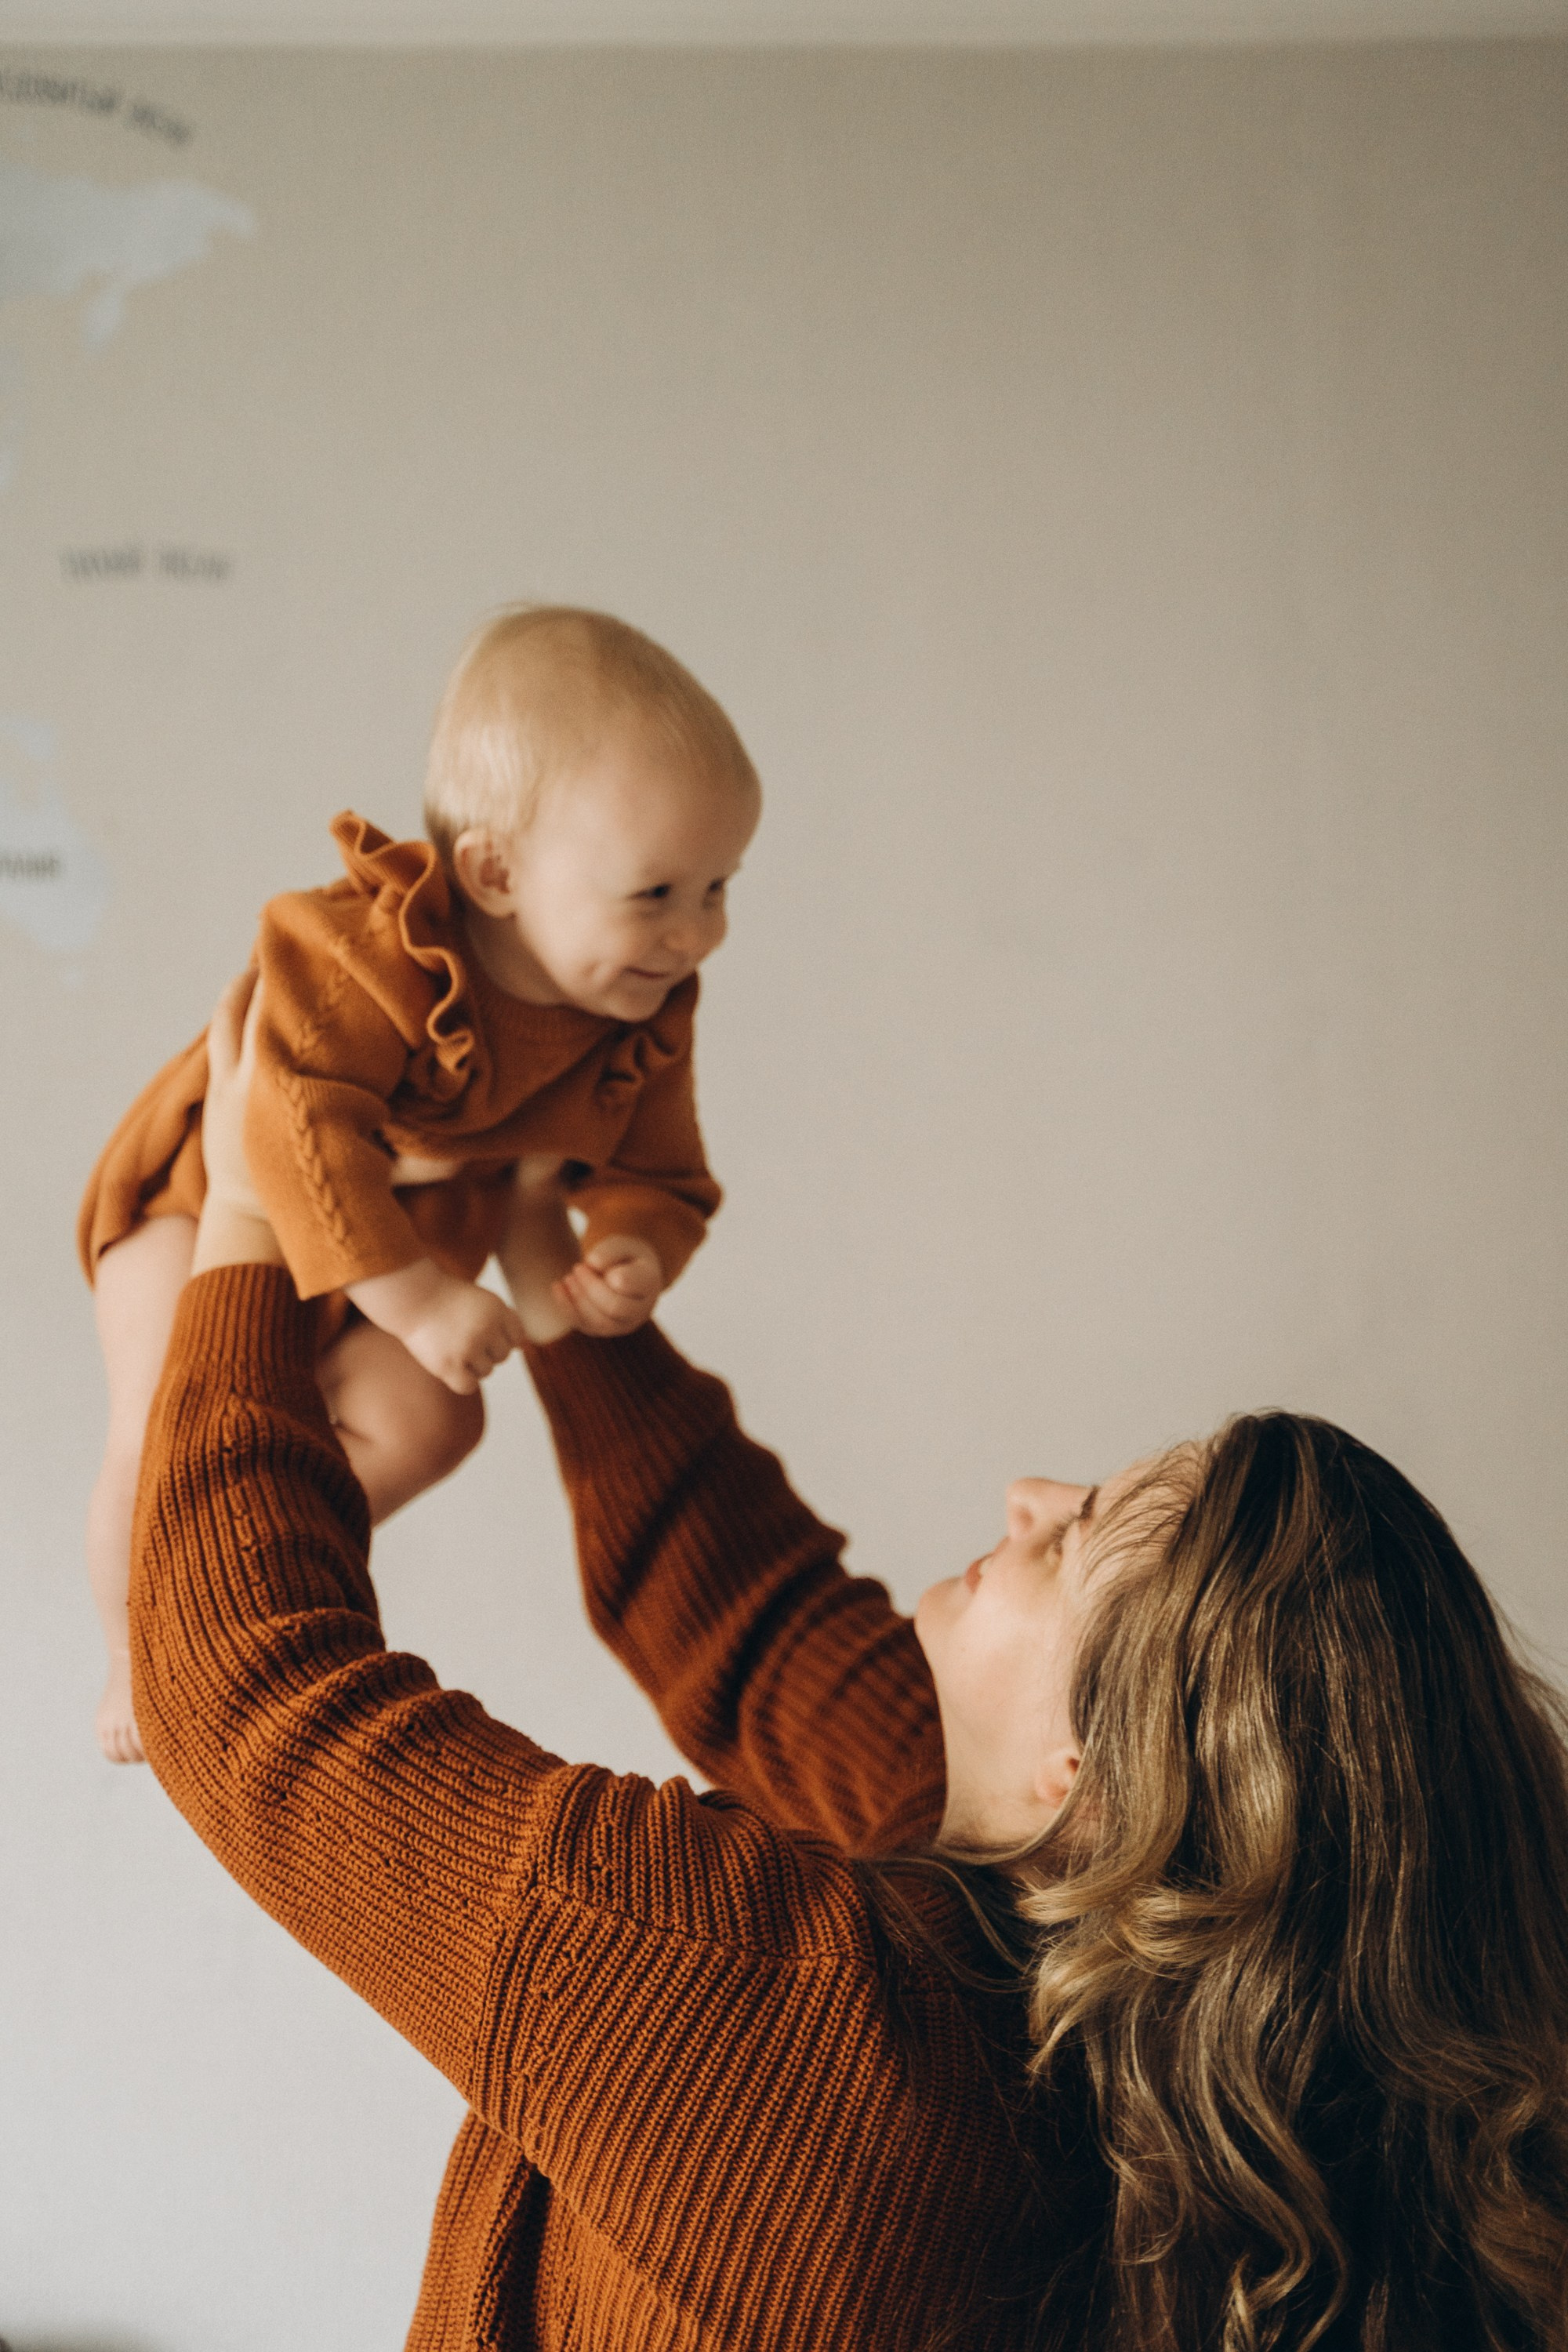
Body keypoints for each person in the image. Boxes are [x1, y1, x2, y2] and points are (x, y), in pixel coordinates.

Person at [128, 973, 1568, 2352]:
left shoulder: (787, 2021)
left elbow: (257, 1695)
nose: (1026, 1497)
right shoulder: (1138, 2050)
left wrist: (256, 1206)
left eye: (1075, 1544)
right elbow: (758, 1628)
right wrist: (539, 1253)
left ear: (1096, 1774)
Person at [79, 605, 761, 1762]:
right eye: (656, 892)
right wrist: (415, 1300)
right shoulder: (361, 949)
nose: (697, 933)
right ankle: (137, 1648)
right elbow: (286, 1128)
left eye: (719, 886)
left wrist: (636, 1246)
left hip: (417, 1242)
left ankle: (254, 1562)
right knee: (163, 1420)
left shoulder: (639, 1012)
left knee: (437, 1417)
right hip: (202, 1208)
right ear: (495, 870)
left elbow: (663, 1174)